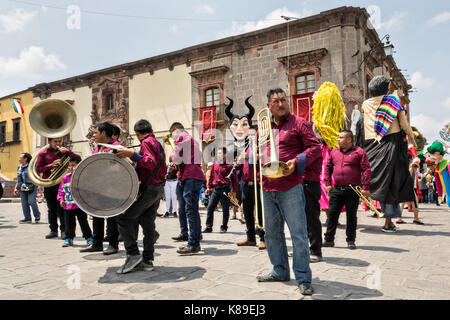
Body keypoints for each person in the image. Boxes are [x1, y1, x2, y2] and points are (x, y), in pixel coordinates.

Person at [255, 88, 321, 296]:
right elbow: (259, 152)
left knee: (299, 234)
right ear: (269, 106)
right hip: (267, 186)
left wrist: (297, 161)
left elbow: (315, 148)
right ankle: (279, 271)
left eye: (283, 100)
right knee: (272, 233)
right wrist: (253, 155)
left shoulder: (299, 123)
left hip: (291, 185)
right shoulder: (263, 128)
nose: (281, 104)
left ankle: (303, 277)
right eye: (276, 101)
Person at [361, 76, 417, 233]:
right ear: (386, 87)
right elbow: (404, 124)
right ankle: (388, 222)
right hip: (392, 143)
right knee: (392, 182)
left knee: (372, 177)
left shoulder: (365, 103)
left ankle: (378, 211)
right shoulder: (393, 100)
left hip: (371, 144)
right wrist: (412, 139)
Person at [115, 119, 167, 274]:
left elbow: (149, 163)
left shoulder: (146, 142)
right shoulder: (156, 142)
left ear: (137, 134)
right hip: (157, 187)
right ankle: (148, 260)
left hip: (150, 188)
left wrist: (133, 155)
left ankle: (132, 255)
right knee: (148, 223)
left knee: (123, 218)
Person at [323, 130, 371, 249]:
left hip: (353, 190)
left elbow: (366, 170)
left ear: (349, 140)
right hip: (336, 189)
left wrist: (366, 187)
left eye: (341, 137)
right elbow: (328, 168)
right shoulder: (334, 152)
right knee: (332, 215)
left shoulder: (359, 152)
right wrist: (328, 184)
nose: (338, 139)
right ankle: (329, 240)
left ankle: (350, 240)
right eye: (339, 137)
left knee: (351, 215)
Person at [80, 122, 121, 255]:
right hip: (98, 187)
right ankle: (97, 243)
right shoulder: (98, 147)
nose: (94, 135)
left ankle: (113, 244)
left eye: (96, 132)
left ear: (104, 133)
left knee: (111, 217)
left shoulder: (116, 146)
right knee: (96, 214)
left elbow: (118, 167)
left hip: (112, 187)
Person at [169, 122, 205, 254]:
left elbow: (177, 159)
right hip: (193, 175)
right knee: (192, 209)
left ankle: (193, 244)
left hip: (189, 176)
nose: (173, 138)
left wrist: (171, 156)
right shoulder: (192, 140)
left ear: (175, 130)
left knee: (190, 210)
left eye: (172, 135)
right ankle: (195, 236)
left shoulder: (181, 137)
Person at [35, 137, 79, 239]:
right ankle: (53, 230)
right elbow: (38, 168)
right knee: (51, 209)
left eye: (60, 141)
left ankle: (64, 230)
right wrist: (51, 165)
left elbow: (78, 158)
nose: (58, 143)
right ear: (49, 142)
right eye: (55, 141)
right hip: (49, 183)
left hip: (62, 184)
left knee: (62, 208)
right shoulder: (43, 153)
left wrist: (68, 152)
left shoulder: (64, 152)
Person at [235, 132, 266, 250]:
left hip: (257, 183)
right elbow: (241, 166)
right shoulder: (247, 149)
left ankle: (263, 239)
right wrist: (237, 163)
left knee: (260, 212)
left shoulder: (263, 148)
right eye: (249, 136)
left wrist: (251, 156)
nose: (250, 137)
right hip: (246, 184)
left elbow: (265, 159)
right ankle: (251, 238)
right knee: (247, 212)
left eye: (253, 135)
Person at [57, 156, 93, 247]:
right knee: (68, 223)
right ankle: (69, 239)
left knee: (83, 222)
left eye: (74, 165)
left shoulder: (84, 177)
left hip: (80, 205)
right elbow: (61, 190)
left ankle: (89, 238)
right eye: (70, 166)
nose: (72, 167)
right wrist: (61, 199)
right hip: (68, 205)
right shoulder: (65, 177)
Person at [203, 147, 238, 233]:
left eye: (221, 153)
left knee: (225, 209)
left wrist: (234, 191)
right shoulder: (214, 164)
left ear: (225, 155)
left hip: (225, 189)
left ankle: (224, 227)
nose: (219, 155)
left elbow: (235, 180)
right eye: (218, 154)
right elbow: (211, 177)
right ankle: (208, 227)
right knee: (210, 207)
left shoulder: (230, 166)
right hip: (215, 190)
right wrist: (208, 187)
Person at [15, 153, 41, 223]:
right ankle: (27, 218)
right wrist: (16, 188)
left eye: (20, 157)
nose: (19, 159)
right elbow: (18, 178)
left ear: (25, 159)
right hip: (22, 187)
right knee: (24, 203)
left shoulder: (32, 167)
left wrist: (39, 185)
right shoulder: (19, 167)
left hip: (32, 186)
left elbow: (37, 176)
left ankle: (37, 216)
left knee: (31, 201)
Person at [398, 157, 424, 224]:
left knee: (402, 203)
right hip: (410, 187)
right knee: (415, 202)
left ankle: (399, 218)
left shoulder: (403, 166)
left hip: (404, 187)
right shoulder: (411, 167)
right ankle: (416, 218)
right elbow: (411, 178)